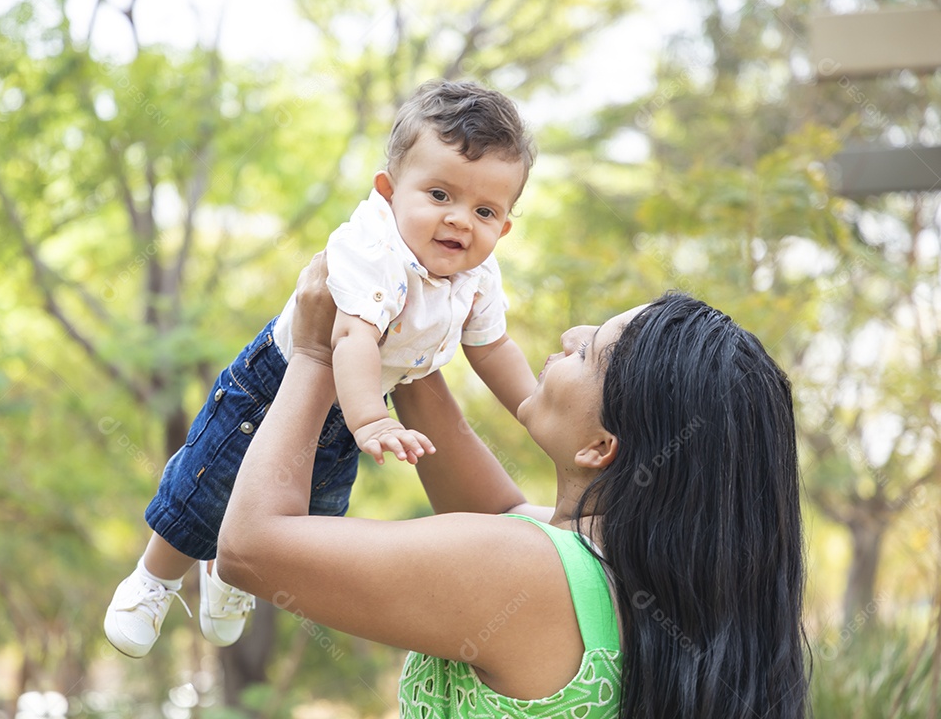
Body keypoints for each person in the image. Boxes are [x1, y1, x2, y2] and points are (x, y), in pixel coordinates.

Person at [216, 255, 809, 718]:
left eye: (590, 351)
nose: (572, 332)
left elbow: (250, 549)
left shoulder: (523, 570)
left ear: (601, 448)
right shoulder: (607, 577)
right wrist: (411, 317)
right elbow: (496, 506)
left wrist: (321, 352)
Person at [104, 79, 538, 658]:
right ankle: (152, 580)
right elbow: (353, 334)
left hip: (356, 408)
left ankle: (226, 574)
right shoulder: (373, 246)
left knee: (310, 514)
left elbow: (493, 347)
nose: (461, 220)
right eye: (438, 195)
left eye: (484, 210)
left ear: (504, 225)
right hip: (278, 383)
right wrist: (370, 422)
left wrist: (534, 408)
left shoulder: (478, 275)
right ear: (388, 193)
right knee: (209, 484)